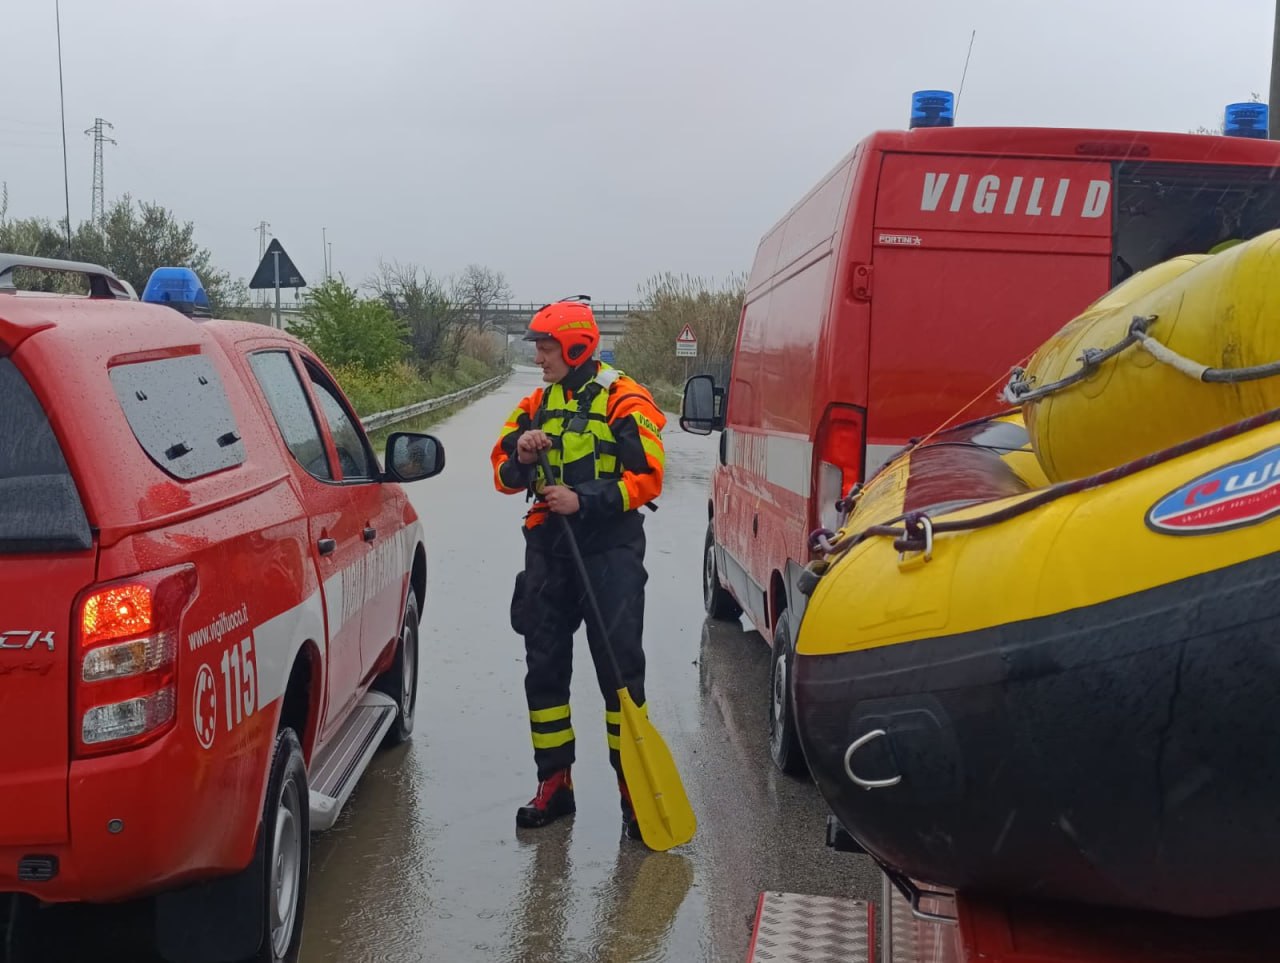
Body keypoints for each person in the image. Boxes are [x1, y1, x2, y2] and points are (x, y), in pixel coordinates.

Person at [490, 297, 666, 839]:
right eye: (538, 348)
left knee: (620, 674)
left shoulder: (624, 399)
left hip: (610, 550)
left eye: (546, 348)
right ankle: (554, 783)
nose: (538, 358)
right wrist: (522, 454)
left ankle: (633, 790)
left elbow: (649, 478)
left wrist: (584, 500)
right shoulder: (535, 403)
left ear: (574, 347)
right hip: (549, 551)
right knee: (544, 667)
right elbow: (502, 474)